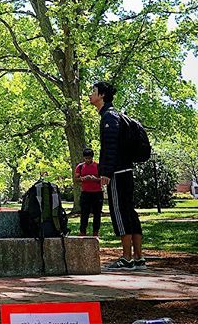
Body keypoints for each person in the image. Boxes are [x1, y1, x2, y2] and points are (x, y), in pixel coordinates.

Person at [89, 80, 145, 270]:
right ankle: (138, 258)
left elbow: (110, 147)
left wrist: (105, 172)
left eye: (93, 91)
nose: (90, 94)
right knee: (129, 212)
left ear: (102, 95)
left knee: (120, 213)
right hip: (125, 170)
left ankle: (127, 259)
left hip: (118, 173)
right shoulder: (115, 115)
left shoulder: (108, 117)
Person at [74, 147, 103, 237]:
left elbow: (103, 179)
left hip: (97, 193)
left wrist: (96, 179)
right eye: (86, 158)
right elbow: (76, 179)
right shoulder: (80, 166)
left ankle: (95, 231)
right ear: (83, 158)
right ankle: (82, 231)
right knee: (84, 213)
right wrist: (82, 178)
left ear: (92, 158)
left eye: (89, 158)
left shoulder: (98, 166)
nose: (87, 160)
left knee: (97, 213)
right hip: (85, 193)